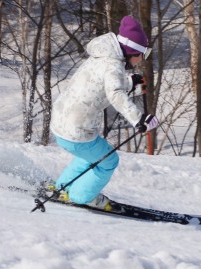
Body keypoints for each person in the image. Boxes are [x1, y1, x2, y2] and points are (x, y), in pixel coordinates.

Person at [49, 16, 159, 211]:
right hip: (76, 130)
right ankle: (81, 196)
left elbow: (102, 84)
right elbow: (115, 93)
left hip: (61, 122)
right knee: (108, 160)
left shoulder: (102, 56)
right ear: (131, 51)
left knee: (90, 155)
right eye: (142, 54)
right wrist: (138, 119)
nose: (142, 59)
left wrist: (129, 83)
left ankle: (62, 188)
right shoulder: (113, 66)